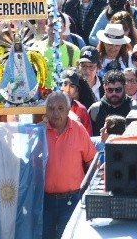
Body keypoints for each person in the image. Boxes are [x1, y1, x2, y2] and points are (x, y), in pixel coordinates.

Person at [43, 92, 96, 239]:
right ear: (45, 110)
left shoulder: (78, 129)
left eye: (60, 108)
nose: (55, 112)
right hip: (44, 201)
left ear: (68, 110)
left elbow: (92, 162)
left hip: (72, 200)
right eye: (51, 108)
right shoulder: (39, 131)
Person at [88, 70, 137, 135]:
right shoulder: (95, 109)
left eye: (118, 89)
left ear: (124, 87)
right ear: (104, 88)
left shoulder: (135, 109)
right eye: (110, 90)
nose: (114, 93)